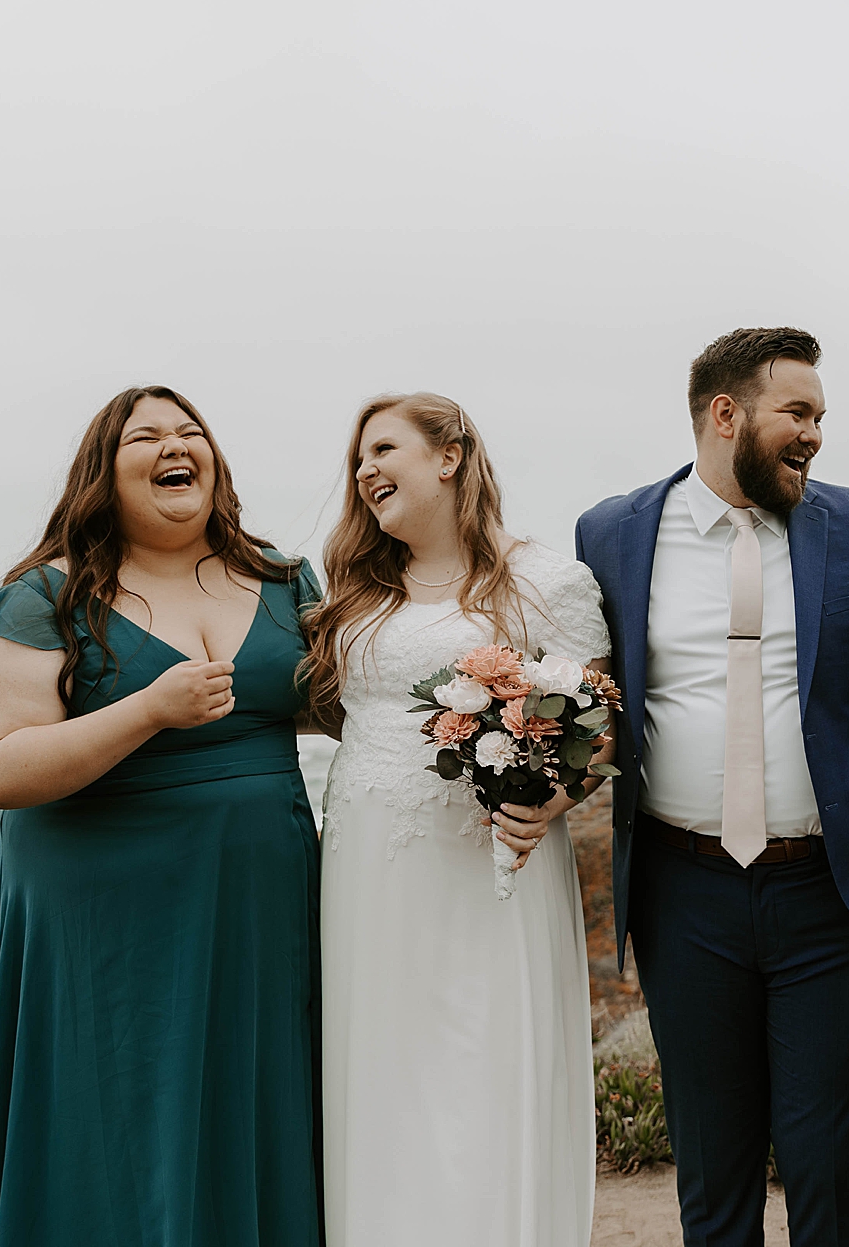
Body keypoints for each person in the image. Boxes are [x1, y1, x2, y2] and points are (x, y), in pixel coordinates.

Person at [0, 386, 323, 1247]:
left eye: (190, 432)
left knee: (244, 1105)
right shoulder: (43, 595)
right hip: (98, 914)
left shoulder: (284, 577)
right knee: (108, 1122)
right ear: (105, 470)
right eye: (147, 436)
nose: (176, 445)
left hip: (257, 903)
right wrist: (148, 709)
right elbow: (1, 768)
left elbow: (341, 706)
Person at [575, 327, 849, 1246]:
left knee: (830, 1175)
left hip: (836, 895)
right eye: (799, 412)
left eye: (821, 415)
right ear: (725, 413)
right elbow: (590, 691)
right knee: (713, 1177)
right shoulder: (612, 532)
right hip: (682, 893)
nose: (816, 433)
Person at [306, 392, 610, 1247]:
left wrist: (550, 800)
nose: (364, 469)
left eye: (384, 448)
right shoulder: (359, 590)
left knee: (480, 1065)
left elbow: (594, 719)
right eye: (359, 457)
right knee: (383, 1070)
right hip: (366, 866)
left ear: (449, 457)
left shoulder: (544, 580)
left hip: (487, 869)